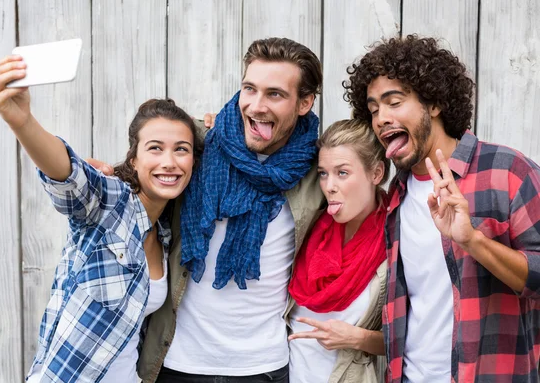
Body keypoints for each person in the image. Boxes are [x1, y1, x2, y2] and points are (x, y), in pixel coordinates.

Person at [0, 55, 202, 383]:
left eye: (182, 149)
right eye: (155, 148)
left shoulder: (166, 234)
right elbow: (68, 175)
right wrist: (22, 121)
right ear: (135, 157)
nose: (169, 162)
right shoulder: (110, 203)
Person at [344, 34, 540, 382]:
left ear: (433, 103)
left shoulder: (508, 172)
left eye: (394, 102)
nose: (381, 118)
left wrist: (472, 241)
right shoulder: (397, 192)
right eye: (374, 109)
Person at [133, 37, 326, 383]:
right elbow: (147, 166)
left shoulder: (318, 170)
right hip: (178, 362)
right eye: (249, 89)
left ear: (305, 103)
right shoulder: (200, 144)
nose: (256, 105)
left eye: (275, 94)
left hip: (263, 367)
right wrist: (106, 174)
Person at [286, 118, 389, 383]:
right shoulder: (307, 226)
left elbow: (415, 340)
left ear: (376, 174)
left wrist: (358, 338)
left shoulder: (395, 244)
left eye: (342, 173)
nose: (329, 185)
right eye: (323, 173)